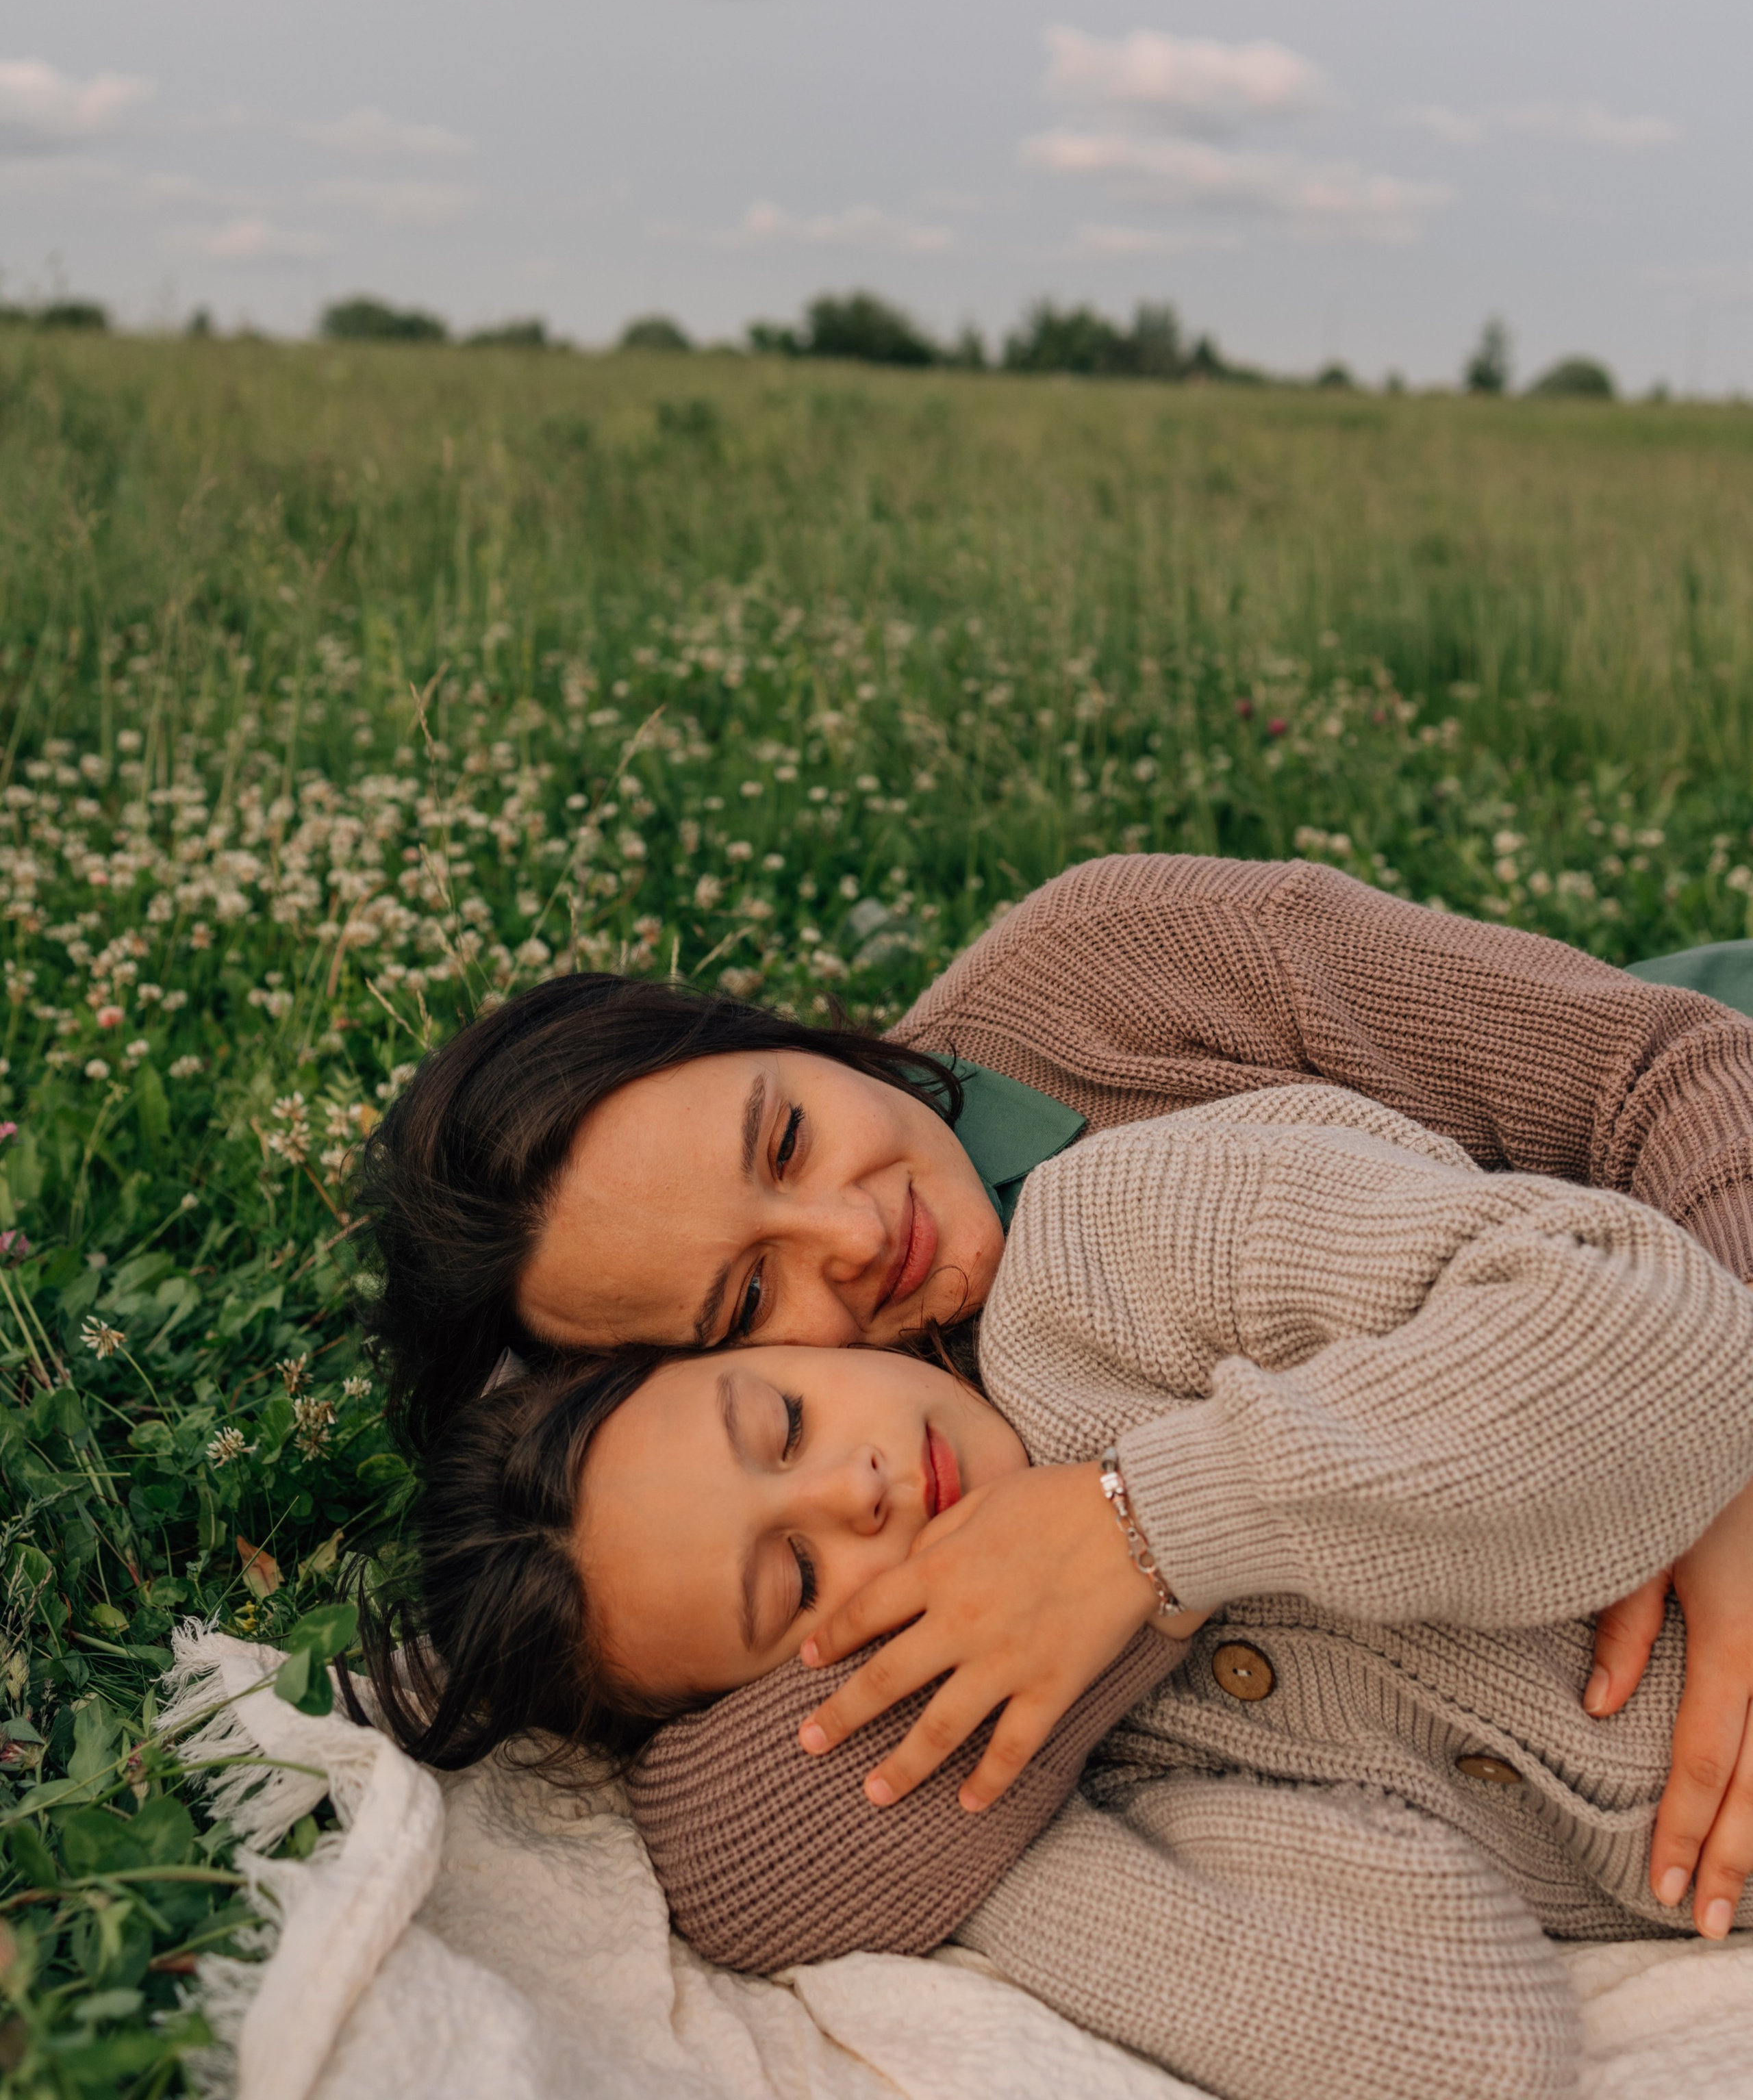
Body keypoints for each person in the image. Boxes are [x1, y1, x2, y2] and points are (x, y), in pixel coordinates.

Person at [355, 855, 1753, 1927]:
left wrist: (1723, 1445)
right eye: (743, 1301)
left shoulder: (1102, 963)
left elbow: (1663, 1068)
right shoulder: (865, 1469)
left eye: (783, 1135)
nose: (851, 1239)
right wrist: (1110, 1543)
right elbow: (742, 1842)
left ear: (764, 1033)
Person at [364, 1083, 1753, 2100]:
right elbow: (1459, 2048)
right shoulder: (1099, 1764)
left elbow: (1658, 1324)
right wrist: (963, 1744)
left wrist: (1142, 1528)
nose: (853, 1492)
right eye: (794, 1581)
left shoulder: (1107, 1260)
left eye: (778, 1418)